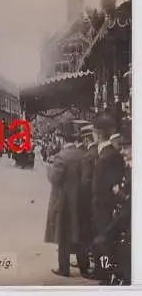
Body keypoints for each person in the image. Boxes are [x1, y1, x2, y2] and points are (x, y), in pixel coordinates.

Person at [44, 119, 83, 277]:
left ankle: (64, 268)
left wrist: (48, 168)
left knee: (63, 236)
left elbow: (55, 179)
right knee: (79, 232)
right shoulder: (82, 154)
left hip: (63, 201)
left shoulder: (61, 157)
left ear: (62, 139)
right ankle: (84, 266)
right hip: (79, 199)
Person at [90, 114, 126, 281]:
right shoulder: (113, 154)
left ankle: (103, 273)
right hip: (109, 206)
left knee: (103, 241)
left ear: (96, 133)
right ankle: (105, 271)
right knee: (107, 241)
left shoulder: (104, 157)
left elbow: (104, 186)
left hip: (103, 207)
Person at [76, 124, 97, 278]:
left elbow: (86, 181)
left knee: (85, 232)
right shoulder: (93, 152)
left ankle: (87, 264)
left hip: (88, 200)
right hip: (94, 199)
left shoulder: (89, 154)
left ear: (86, 138)